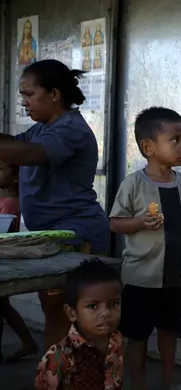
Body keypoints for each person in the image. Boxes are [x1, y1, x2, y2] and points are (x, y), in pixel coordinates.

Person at [0, 59, 110, 350]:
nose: (24, 102)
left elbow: (31, 154)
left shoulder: (69, 128)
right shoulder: (43, 128)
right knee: (57, 313)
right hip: (53, 234)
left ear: (54, 94)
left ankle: (71, 378)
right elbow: (13, 147)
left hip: (76, 232)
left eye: (28, 94)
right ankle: (55, 377)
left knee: (70, 317)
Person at [109, 107, 181, 390]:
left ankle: (168, 382)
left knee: (169, 333)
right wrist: (139, 222)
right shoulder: (133, 185)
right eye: (175, 140)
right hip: (141, 277)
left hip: (176, 278)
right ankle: (138, 383)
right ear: (148, 147)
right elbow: (115, 223)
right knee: (137, 336)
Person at [35, 258, 124, 390]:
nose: (106, 313)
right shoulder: (60, 356)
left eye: (114, 303)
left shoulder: (117, 339)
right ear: (72, 313)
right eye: (93, 306)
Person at [0, 161, 39, 362]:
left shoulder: (9, 203)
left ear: (15, 177)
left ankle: (28, 342)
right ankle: (28, 342)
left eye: (0, 169)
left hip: (3, 256)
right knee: (3, 306)